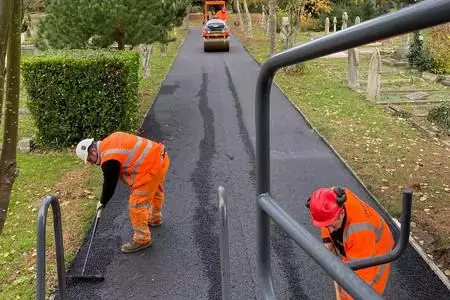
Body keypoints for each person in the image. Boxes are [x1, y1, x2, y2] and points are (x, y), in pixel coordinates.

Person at [76, 131, 170, 254]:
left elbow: (110, 184)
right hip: (162, 157)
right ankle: (155, 218)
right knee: (156, 189)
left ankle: (142, 239)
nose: (92, 163)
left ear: (93, 151)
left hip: (151, 168)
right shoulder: (111, 140)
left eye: (90, 160)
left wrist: (102, 202)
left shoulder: (109, 159)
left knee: (136, 203)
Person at [305, 186, 394, 299]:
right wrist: (327, 239)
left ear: (341, 212)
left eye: (332, 225)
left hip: (377, 250)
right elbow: (325, 219)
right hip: (358, 244)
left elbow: (362, 278)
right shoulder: (332, 199)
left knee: (366, 291)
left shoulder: (360, 232)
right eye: (327, 226)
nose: (330, 230)